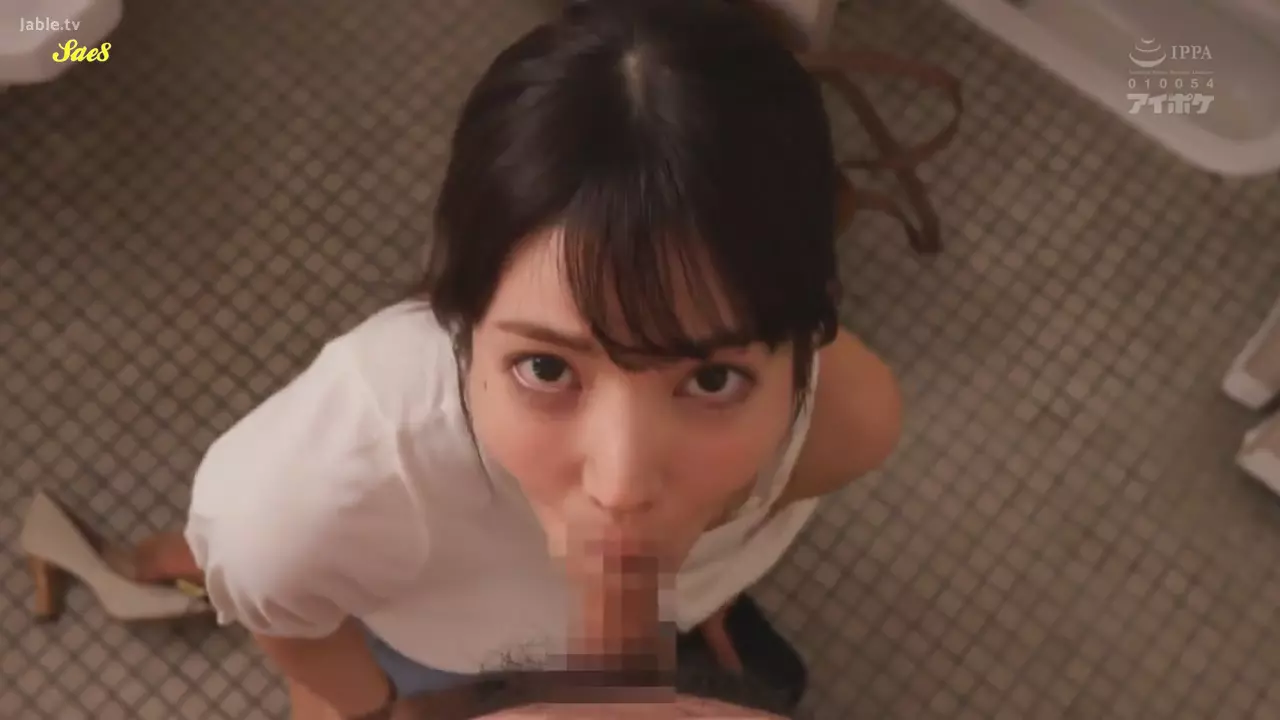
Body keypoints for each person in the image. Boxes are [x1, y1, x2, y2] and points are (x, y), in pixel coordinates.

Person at [125, 0, 903, 717]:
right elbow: (298, 629)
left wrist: (698, 595)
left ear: (806, 337)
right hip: (424, 646)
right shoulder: (305, 503)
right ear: (461, 311)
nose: (621, 486)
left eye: (710, 379)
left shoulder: (844, 424)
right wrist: (381, 710)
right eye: (547, 368)